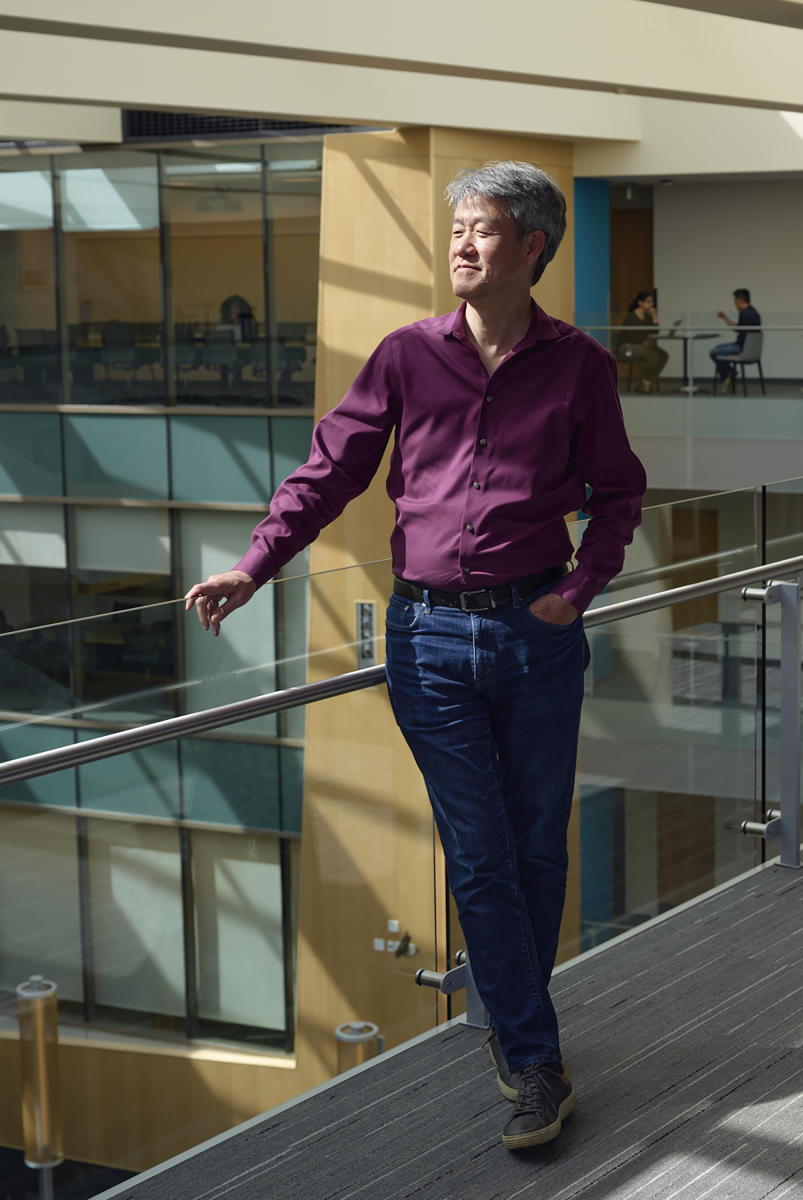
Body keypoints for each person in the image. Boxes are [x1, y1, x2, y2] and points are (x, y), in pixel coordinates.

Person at [185, 161, 646, 1151]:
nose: (462, 246)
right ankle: (534, 1064)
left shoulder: (580, 368)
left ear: (532, 247)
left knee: (535, 851)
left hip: (537, 633)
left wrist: (579, 590)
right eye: (456, 231)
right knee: (480, 855)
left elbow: (619, 493)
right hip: (429, 638)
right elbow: (328, 472)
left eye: (482, 230)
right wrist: (254, 569)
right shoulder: (405, 357)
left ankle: (522, 1023)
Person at [616, 290, 669, 393]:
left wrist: (654, 317)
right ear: (640, 303)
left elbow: (655, 332)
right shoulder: (631, 316)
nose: (651, 305)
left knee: (663, 355)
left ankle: (647, 382)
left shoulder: (647, 317)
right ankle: (644, 382)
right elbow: (631, 336)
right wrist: (643, 343)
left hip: (640, 346)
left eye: (652, 302)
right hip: (627, 347)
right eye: (648, 302)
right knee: (653, 355)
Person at [711, 287, 761, 393]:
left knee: (714, 352)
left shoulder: (745, 313)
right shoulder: (753, 312)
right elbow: (739, 329)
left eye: (735, 302)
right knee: (718, 349)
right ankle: (730, 374)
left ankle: (728, 375)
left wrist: (742, 354)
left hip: (742, 348)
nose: (735, 304)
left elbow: (743, 334)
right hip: (745, 347)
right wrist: (725, 318)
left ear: (740, 300)